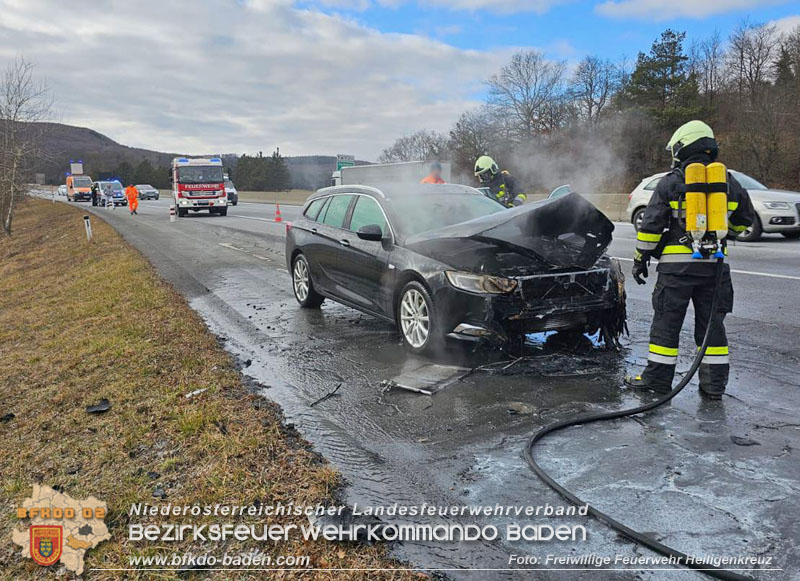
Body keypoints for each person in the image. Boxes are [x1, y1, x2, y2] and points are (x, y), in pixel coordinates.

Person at [625, 120, 755, 400]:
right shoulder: (729, 182)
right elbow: (746, 220)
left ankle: (657, 382)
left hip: (676, 273)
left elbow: (649, 227)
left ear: (682, 147)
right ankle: (714, 387)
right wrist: (722, 235)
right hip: (716, 270)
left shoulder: (671, 182)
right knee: (712, 330)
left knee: (666, 327)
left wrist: (640, 258)